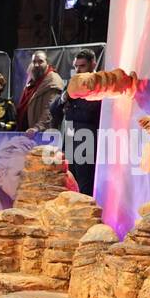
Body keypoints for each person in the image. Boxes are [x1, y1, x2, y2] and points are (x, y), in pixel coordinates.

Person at [50, 48, 101, 195]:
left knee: (85, 181)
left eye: (82, 66)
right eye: (76, 66)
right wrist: (65, 98)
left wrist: (71, 106)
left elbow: (90, 112)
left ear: (93, 64)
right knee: (69, 179)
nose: (78, 70)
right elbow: (54, 109)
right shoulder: (73, 83)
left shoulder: (98, 84)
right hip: (70, 136)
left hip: (87, 138)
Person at [15, 50, 64, 134]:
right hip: (27, 130)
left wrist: (37, 127)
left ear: (47, 63)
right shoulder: (33, 78)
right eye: (34, 62)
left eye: (40, 61)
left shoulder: (53, 81)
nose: (36, 65)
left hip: (42, 133)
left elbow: (49, 109)